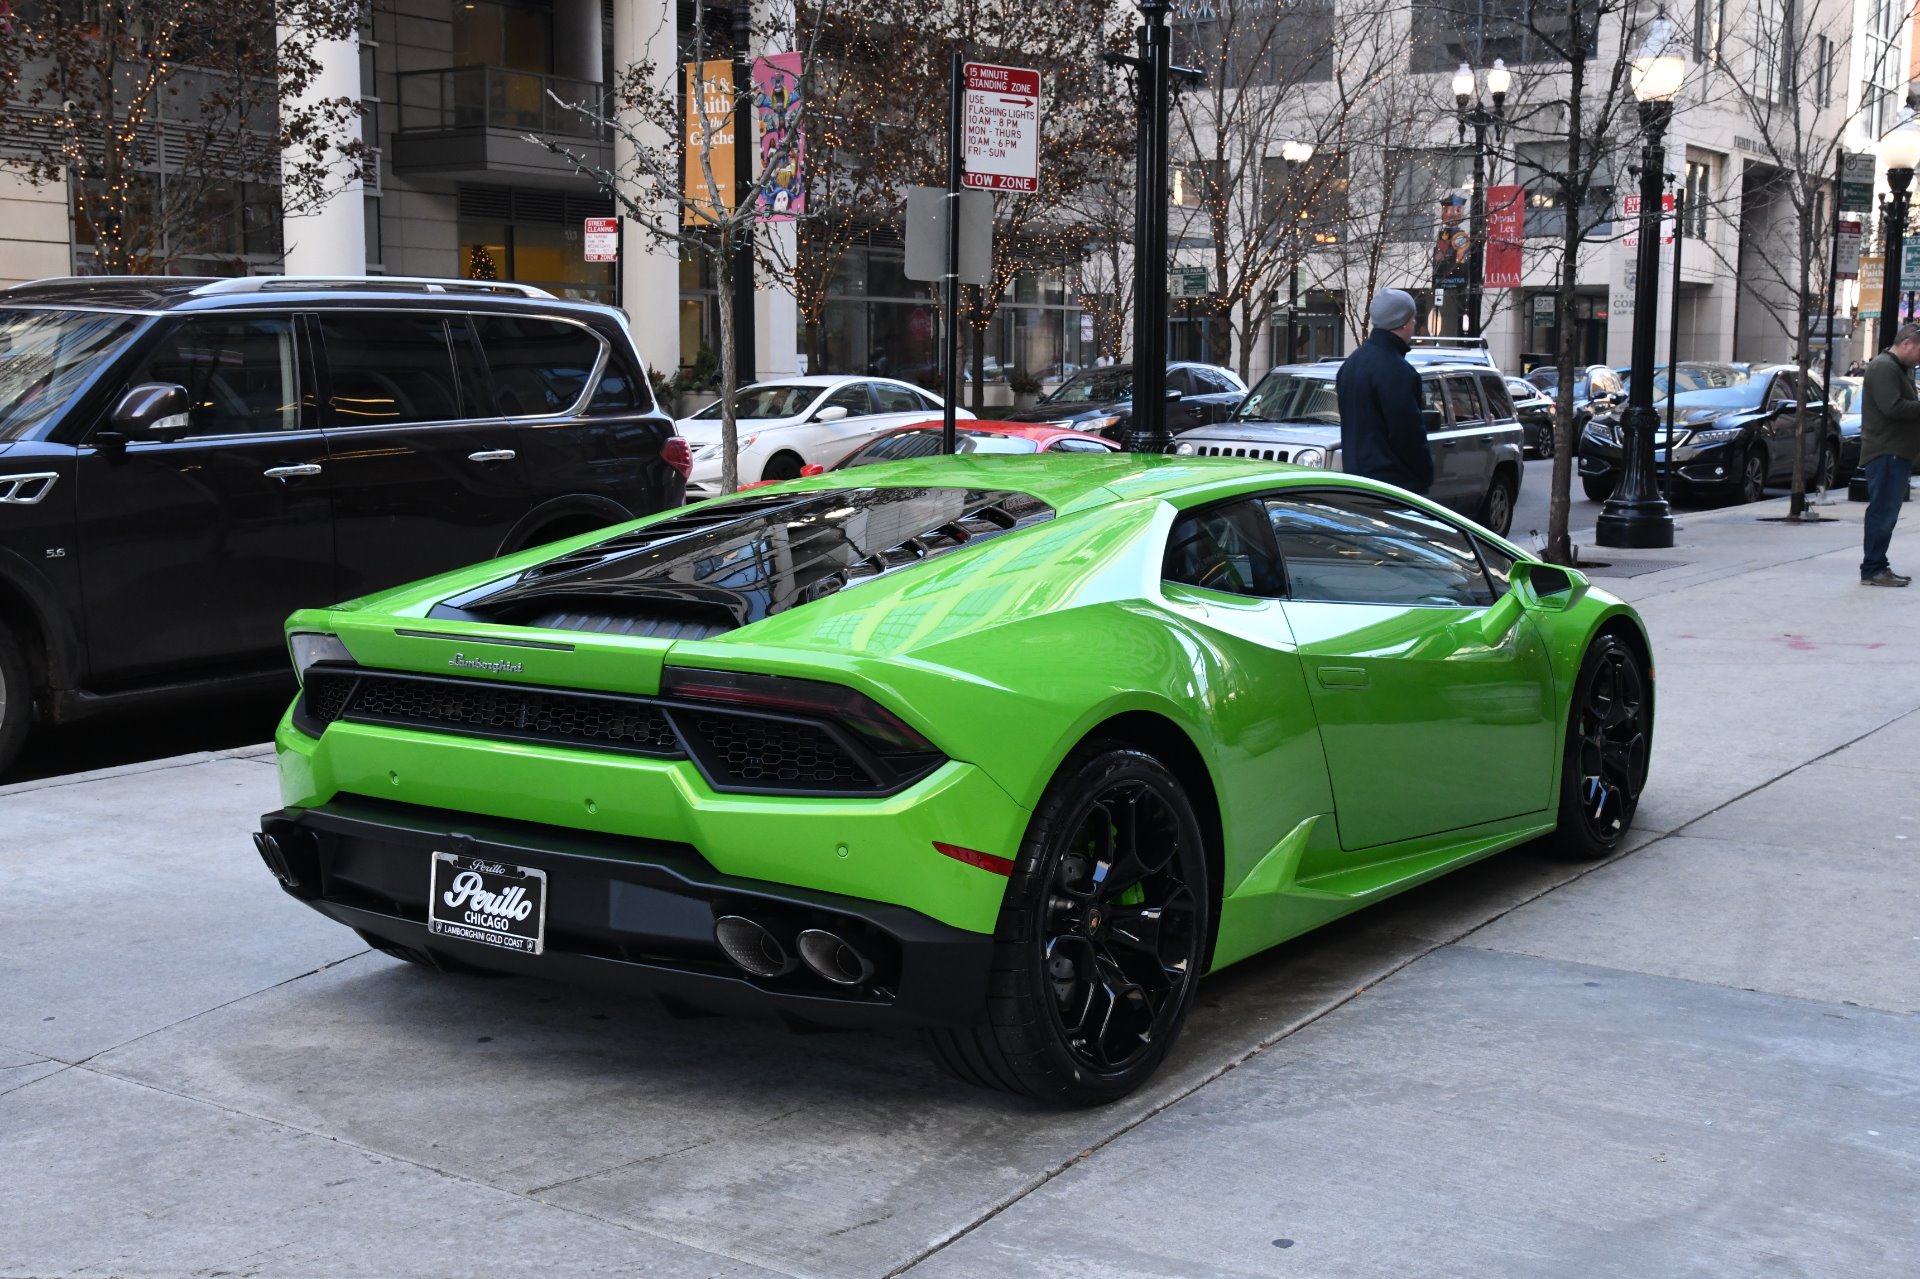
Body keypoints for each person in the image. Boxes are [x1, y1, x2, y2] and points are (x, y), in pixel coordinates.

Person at [1335, 288, 1432, 494]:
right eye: (1413, 319)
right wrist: (1424, 475)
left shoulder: (1351, 364)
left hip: (1356, 481)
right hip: (1393, 486)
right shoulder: (1398, 371)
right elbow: (1408, 435)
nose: (1414, 324)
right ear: (1404, 322)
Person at [1857, 323, 1920, 586]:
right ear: (1907, 343)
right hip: (1886, 452)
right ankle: (1873, 568)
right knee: (1883, 512)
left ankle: (1877, 565)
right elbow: (1892, 407)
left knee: (1887, 512)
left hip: (1895, 453)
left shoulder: (1897, 368)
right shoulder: (1884, 367)